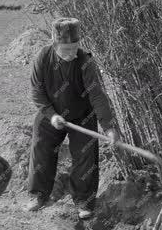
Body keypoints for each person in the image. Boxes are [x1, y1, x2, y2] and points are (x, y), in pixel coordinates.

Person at [27, 17, 118, 219]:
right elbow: (36, 92)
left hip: (81, 115)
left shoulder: (86, 62)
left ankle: (84, 201)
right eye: (65, 49)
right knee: (41, 148)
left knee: (86, 158)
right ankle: (39, 195)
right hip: (49, 111)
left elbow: (97, 95)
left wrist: (108, 127)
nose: (71, 54)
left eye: (74, 48)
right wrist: (51, 116)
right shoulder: (43, 58)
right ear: (55, 44)